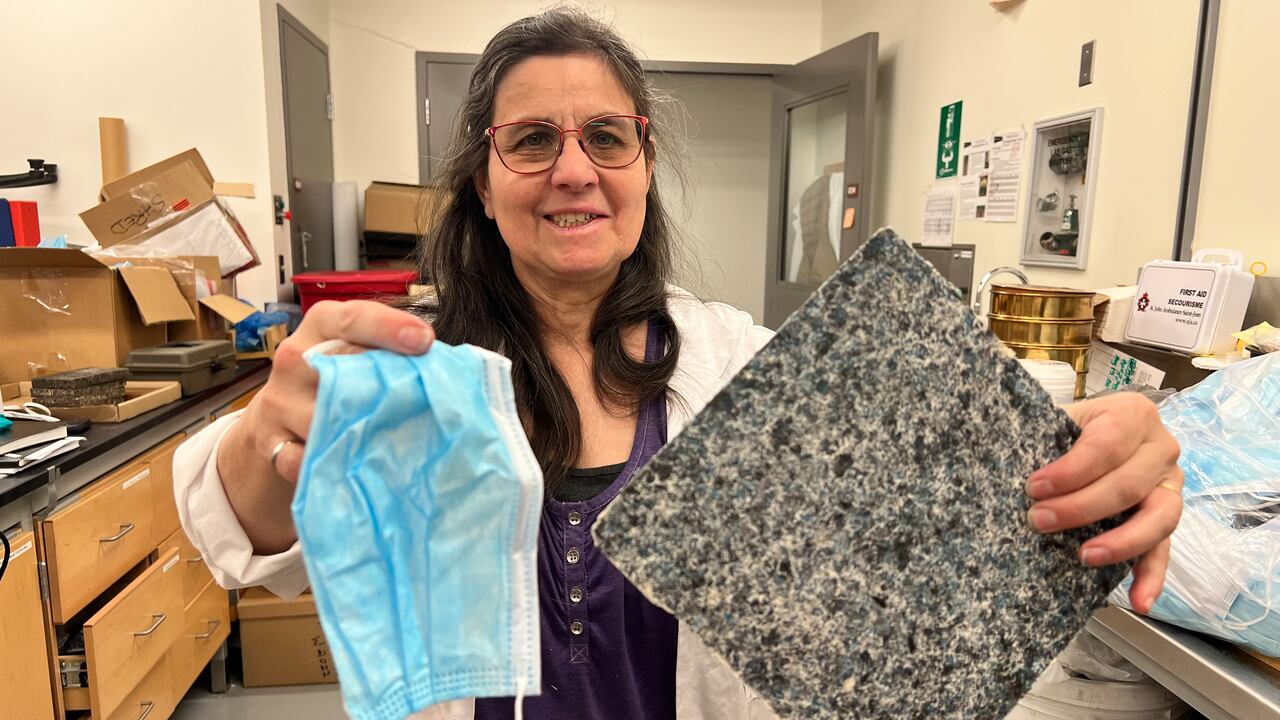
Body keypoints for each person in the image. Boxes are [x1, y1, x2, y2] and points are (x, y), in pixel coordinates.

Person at [174, 8, 1184, 720]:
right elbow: (238, 530)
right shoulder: (416, 377)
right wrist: (267, 432)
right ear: (483, 185)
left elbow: (961, 487)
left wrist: (1100, 446)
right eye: (531, 140)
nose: (573, 168)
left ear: (643, 171)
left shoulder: (744, 368)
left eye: (606, 137)